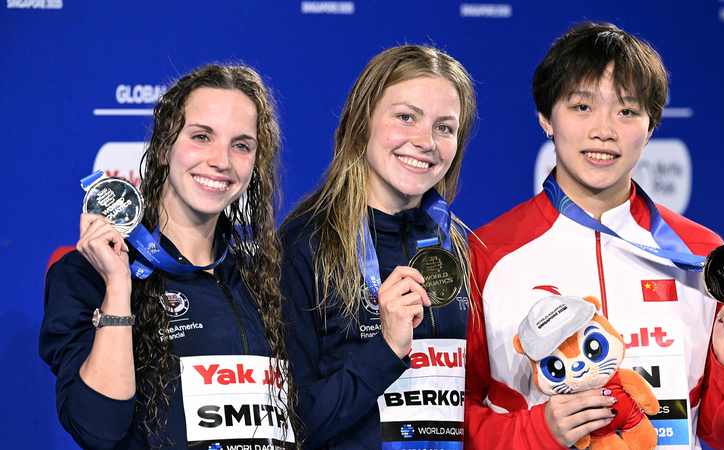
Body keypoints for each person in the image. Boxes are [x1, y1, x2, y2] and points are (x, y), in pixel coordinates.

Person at [465, 22, 724, 450]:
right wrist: (539, 431)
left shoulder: (699, 255)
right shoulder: (488, 255)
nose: (603, 130)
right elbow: (452, 422)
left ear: (651, 125)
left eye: (627, 111)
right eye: (582, 107)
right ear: (546, 117)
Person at [39, 65, 295, 449]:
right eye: (201, 136)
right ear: (163, 148)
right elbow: (98, 428)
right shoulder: (86, 274)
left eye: (241, 145)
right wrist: (118, 287)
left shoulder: (261, 274)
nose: (221, 160)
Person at [280, 45, 477, 450]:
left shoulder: (460, 245)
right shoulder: (303, 247)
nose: (425, 142)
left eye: (445, 127)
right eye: (406, 117)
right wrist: (386, 349)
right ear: (362, 121)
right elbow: (289, 425)